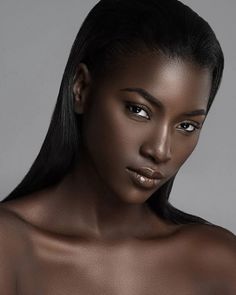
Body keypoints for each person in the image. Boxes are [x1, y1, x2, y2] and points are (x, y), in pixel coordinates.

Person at [0, 0, 235, 293]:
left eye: (186, 126)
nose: (160, 150)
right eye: (139, 110)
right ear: (81, 89)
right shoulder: (9, 249)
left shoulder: (220, 262)